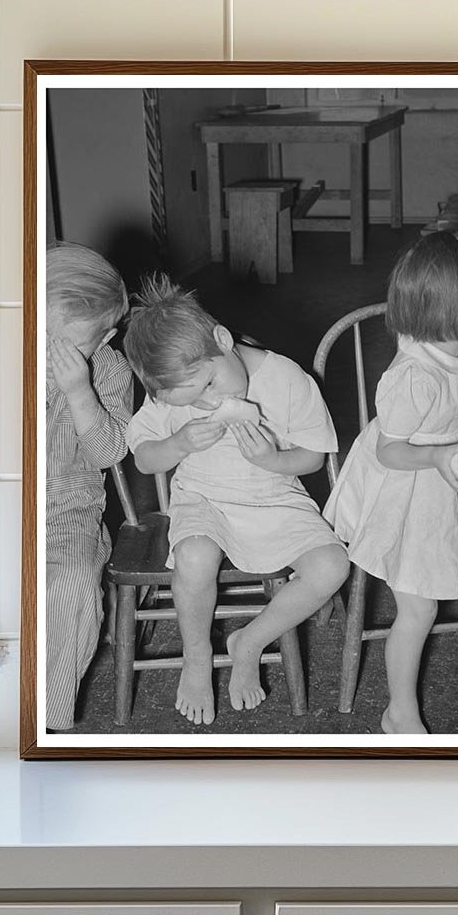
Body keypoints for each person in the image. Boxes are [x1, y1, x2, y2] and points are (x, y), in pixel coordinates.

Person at [124, 274, 349, 727]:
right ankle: (196, 655)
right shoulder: (177, 386)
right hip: (203, 496)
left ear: (222, 341)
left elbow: (313, 456)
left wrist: (272, 458)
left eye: (209, 385)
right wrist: (180, 443)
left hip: (275, 493)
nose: (209, 403)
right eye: (194, 399)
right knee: (193, 556)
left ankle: (249, 641)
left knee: (332, 566)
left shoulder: (284, 378)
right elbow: (147, 460)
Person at [323, 230, 458, 735]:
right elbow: (389, 449)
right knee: (418, 608)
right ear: (453, 309)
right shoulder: (415, 377)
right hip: (412, 489)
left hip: (453, 477)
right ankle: (399, 710)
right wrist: (443, 454)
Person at [44, 243, 133, 732]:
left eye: (75, 346)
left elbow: (108, 454)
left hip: (69, 509)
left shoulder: (110, 369)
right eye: (49, 339)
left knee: (74, 581)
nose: (109, 337)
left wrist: (80, 392)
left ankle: (47, 714)